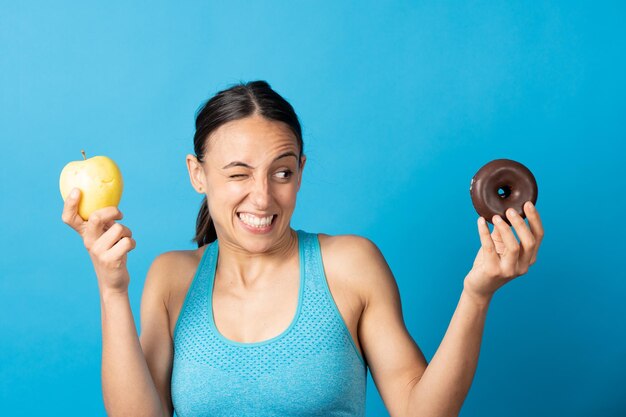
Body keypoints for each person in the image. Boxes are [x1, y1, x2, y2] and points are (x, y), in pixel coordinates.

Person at [61, 80, 544, 417]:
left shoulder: (350, 265)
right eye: (238, 174)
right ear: (197, 174)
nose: (263, 196)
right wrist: (112, 289)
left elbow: (422, 411)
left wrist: (477, 295)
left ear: (300, 171)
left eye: (282, 172)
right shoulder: (172, 279)